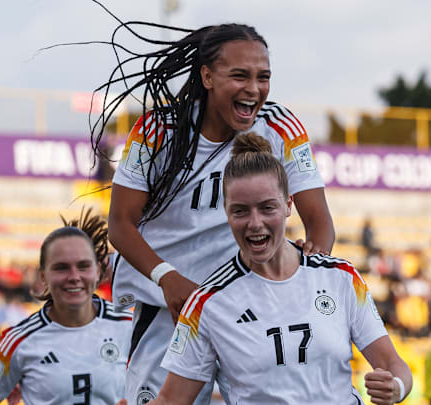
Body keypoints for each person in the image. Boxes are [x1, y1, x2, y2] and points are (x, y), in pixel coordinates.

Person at [99, 21, 335, 404]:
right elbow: (120, 226)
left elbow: (320, 223)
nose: (254, 89)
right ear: (207, 76)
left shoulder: (281, 127)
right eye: (239, 76)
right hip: (168, 311)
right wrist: (168, 279)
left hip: (249, 308)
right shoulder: (157, 130)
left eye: (263, 77)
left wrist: (310, 271)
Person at [149, 133, 411, 405]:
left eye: (267, 208)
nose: (255, 223)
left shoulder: (341, 277)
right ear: (225, 212)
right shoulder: (205, 303)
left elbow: (393, 364)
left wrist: (397, 387)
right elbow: (171, 400)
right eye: (240, 211)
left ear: (288, 205)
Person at [0, 209, 132, 405]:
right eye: (61, 267)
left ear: (97, 271)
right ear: (43, 276)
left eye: (83, 266)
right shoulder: (19, 340)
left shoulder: (128, 325)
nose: (74, 276)